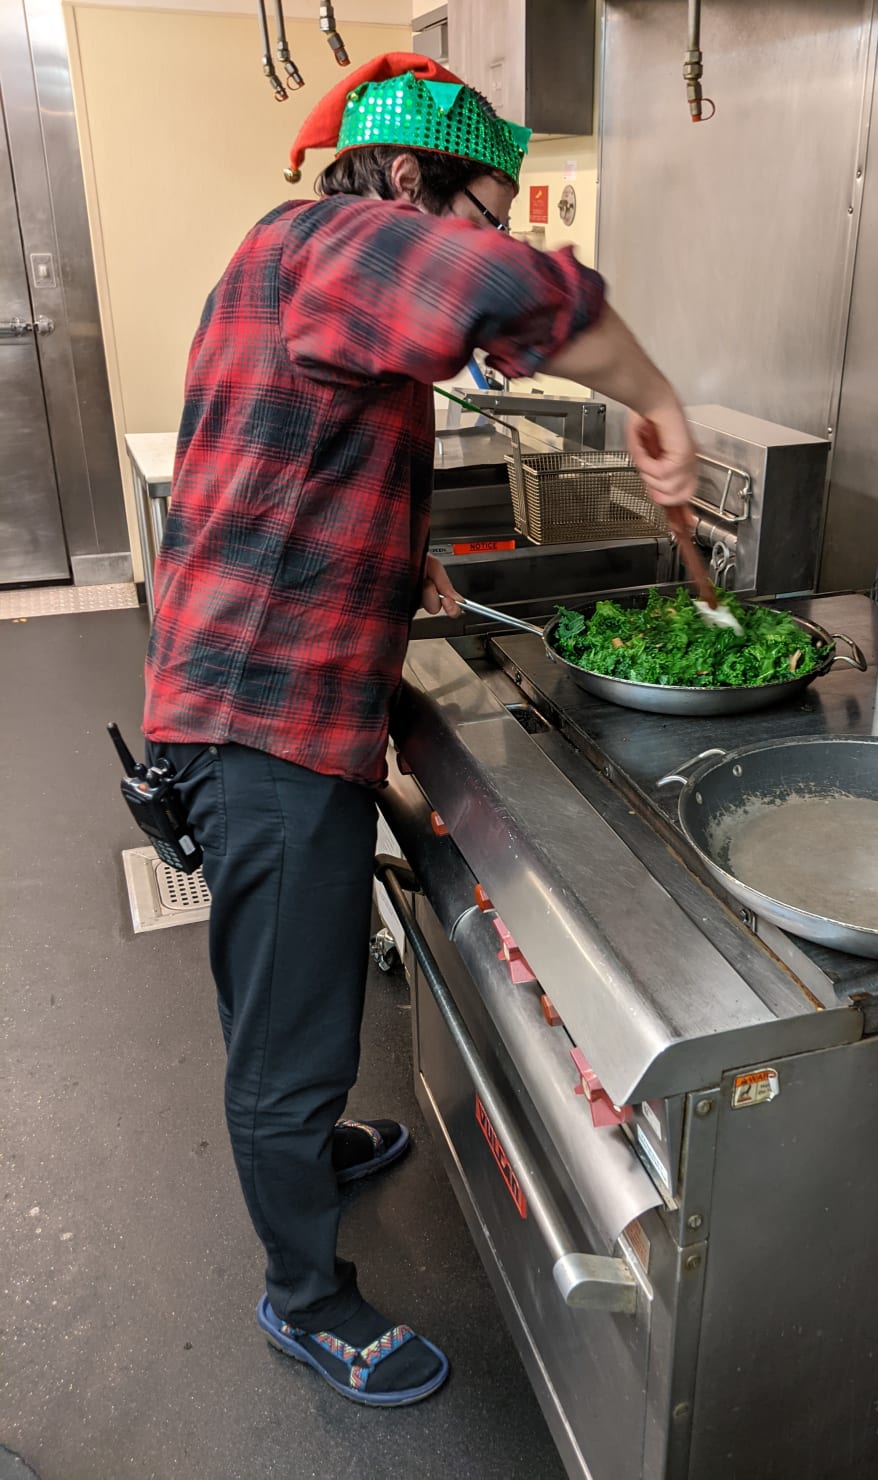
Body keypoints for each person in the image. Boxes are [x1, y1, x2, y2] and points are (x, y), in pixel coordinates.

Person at [142, 51, 696, 1408]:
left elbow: (304, 459)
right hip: (267, 727)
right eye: (480, 207)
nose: (490, 237)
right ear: (403, 176)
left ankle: (309, 1147)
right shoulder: (343, 239)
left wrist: (404, 563)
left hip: (247, 690)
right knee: (290, 1034)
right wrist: (656, 403)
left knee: (286, 985)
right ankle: (304, 1296)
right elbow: (519, 297)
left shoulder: (295, 258)